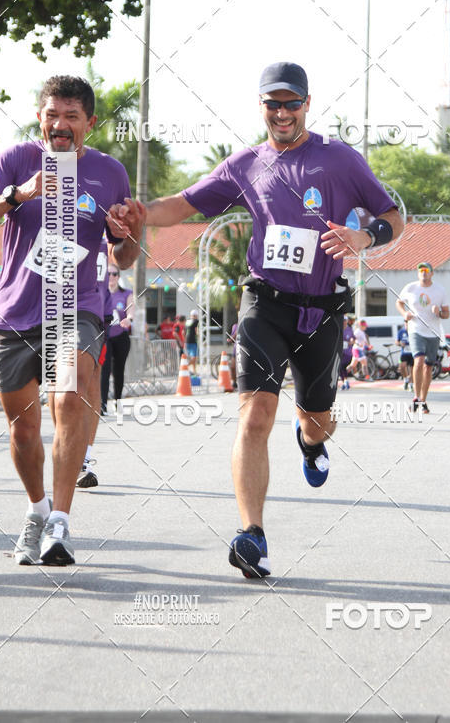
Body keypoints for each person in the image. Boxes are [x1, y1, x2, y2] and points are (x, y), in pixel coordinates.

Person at [108, 60, 404, 579]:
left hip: (321, 309)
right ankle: (252, 535)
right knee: (254, 414)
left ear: (309, 104)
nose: (283, 112)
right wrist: (139, 212)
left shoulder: (339, 160)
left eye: (292, 103)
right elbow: (184, 204)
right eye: (273, 103)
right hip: (263, 302)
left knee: (317, 421)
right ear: (261, 106)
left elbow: (395, 218)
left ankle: (310, 442)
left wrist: (363, 238)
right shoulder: (246, 163)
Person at [0, 75, 143, 565]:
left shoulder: (110, 173)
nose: (60, 125)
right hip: (13, 310)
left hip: (76, 306)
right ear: (40, 116)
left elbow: (124, 256)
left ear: (89, 122)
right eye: (52, 115)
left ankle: (61, 525)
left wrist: (129, 232)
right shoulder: (15, 161)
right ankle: (37, 511)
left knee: (68, 396)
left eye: (71, 116)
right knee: (23, 430)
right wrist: (16, 196)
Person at [76, 235, 110, 489]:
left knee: (91, 386)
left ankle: (83, 460)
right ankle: (67, 451)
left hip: (96, 315)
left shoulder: (107, 235)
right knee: (64, 388)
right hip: (55, 310)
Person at [396, 261, 450, 413]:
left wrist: (439, 312)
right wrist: (404, 313)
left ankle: (423, 400)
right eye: (421, 270)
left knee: (429, 367)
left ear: (432, 273)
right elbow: (399, 303)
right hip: (416, 330)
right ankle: (415, 397)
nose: (423, 273)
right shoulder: (411, 288)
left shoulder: (440, 290)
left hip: (433, 333)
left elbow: (447, 313)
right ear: (418, 273)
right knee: (418, 361)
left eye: (426, 270)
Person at [100, 263, 133, 416]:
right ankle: (102, 404)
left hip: (121, 337)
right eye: (109, 274)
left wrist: (129, 319)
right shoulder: (99, 293)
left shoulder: (126, 293)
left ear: (118, 277)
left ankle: (118, 401)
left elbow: (131, 309)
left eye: (114, 274)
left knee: (118, 370)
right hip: (105, 337)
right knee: (104, 370)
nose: (111, 277)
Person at [396, 319, 413, 390]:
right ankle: (406, 379)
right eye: (406, 324)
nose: (407, 326)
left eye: (408, 324)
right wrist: (400, 343)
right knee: (402, 366)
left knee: (412, 369)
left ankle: (411, 384)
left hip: (413, 353)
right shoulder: (401, 332)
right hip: (404, 353)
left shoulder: (414, 331)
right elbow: (396, 341)